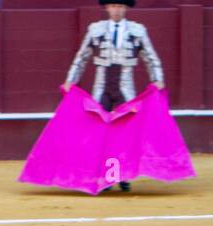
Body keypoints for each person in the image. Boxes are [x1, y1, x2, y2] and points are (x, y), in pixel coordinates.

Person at [64, 0, 165, 192]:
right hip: (101, 90)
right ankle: (107, 176)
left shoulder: (138, 31)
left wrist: (158, 79)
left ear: (125, 8)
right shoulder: (95, 30)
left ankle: (122, 175)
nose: (116, 10)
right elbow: (81, 57)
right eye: (113, 6)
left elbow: (151, 58)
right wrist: (71, 80)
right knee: (102, 135)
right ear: (107, 8)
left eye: (120, 6)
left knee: (123, 135)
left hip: (125, 91)